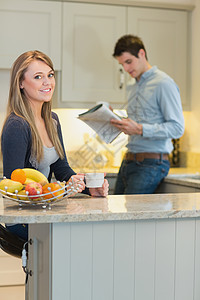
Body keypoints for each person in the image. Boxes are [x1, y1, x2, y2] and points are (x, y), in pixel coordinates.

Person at [1, 50, 109, 240]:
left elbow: (61, 168)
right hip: (23, 220)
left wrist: (87, 188)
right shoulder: (17, 125)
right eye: (38, 77)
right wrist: (57, 190)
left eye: (50, 75)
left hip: (45, 211)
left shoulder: (52, 120)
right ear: (21, 83)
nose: (48, 82)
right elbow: (14, 183)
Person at [110, 35, 184, 195]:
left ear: (142, 54)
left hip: (152, 163)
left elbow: (177, 128)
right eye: (122, 64)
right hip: (129, 160)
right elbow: (139, 123)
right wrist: (116, 119)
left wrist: (139, 129)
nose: (126, 69)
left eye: (128, 62)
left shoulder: (164, 83)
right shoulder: (132, 86)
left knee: (129, 219)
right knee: (113, 214)